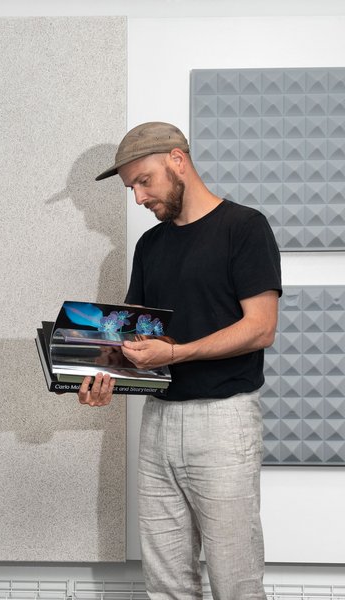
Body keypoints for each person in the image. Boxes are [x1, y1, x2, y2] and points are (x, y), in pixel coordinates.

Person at [77, 122, 282, 600]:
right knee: (166, 583)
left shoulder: (244, 227)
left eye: (143, 181)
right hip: (158, 422)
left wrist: (178, 353)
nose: (138, 197)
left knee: (235, 582)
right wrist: (100, 377)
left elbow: (261, 328)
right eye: (132, 188)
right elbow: (133, 339)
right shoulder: (150, 246)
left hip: (224, 422)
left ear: (177, 159)